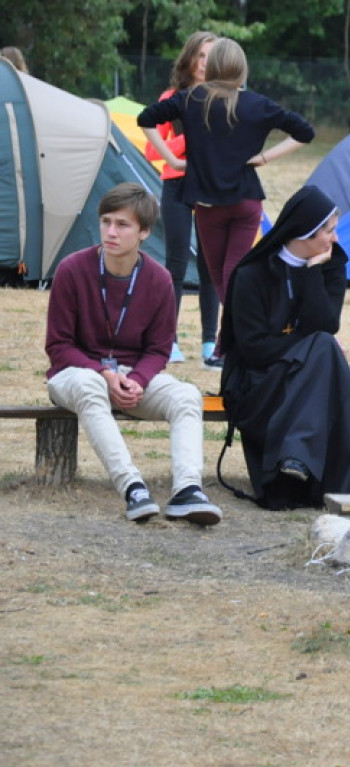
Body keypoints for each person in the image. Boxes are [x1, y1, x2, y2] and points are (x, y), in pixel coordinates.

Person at [44, 183, 222, 525]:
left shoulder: (158, 279)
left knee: (185, 394)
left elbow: (158, 349)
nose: (111, 232)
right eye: (106, 221)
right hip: (75, 374)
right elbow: (59, 346)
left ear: (144, 232)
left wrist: (137, 379)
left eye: (122, 225)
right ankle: (133, 488)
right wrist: (105, 373)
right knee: (88, 384)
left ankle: (187, 490)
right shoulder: (72, 269)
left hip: (130, 378)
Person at [138, 37, 315, 367]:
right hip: (246, 202)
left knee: (224, 275)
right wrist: (264, 157)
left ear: (215, 65)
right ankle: (227, 342)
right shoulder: (258, 104)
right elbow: (304, 132)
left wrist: (173, 161)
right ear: (242, 69)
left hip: (209, 205)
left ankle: (229, 342)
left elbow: (145, 119)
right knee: (227, 276)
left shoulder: (192, 99)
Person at [220, 185, 350, 509]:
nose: (335, 240)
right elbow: (254, 350)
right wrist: (307, 348)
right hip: (260, 384)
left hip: (305, 382)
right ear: (305, 233)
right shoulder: (252, 274)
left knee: (323, 345)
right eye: (329, 232)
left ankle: (297, 457)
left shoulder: (330, 266)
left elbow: (325, 324)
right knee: (323, 348)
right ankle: (298, 455)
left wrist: (311, 274)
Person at [143, 31, 221, 366]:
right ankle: (168, 341)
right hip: (175, 186)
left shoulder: (225, 97)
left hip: (211, 189)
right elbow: (150, 150)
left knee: (209, 267)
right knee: (174, 264)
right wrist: (186, 139)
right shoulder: (171, 97)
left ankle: (208, 345)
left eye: (212, 56)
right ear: (189, 58)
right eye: (201, 56)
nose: (206, 63)